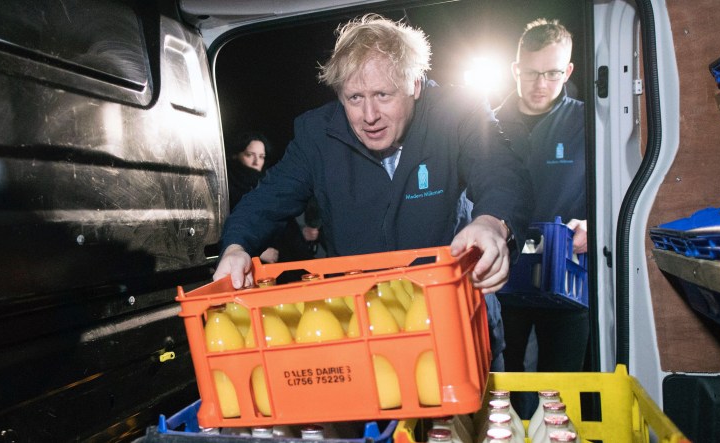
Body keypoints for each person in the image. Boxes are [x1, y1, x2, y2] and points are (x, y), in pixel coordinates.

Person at [214, 14, 533, 308]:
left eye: (383, 95)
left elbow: (500, 168)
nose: (369, 117)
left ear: (415, 85)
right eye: (355, 98)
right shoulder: (316, 134)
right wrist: (235, 247)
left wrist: (492, 222)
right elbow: (268, 199)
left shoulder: (458, 112)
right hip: (361, 318)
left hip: (454, 309)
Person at [494, 18, 588, 394]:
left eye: (551, 73)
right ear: (515, 69)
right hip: (504, 275)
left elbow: (619, 187)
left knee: (562, 392)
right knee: (503, 386)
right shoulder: (487, 124)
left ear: (568, 71)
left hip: (567, 275)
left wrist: (593, 223)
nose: (540, 84)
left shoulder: (589, 121)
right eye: (531, 73)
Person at [226, 131, 315, 264]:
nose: (256, 162)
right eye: (250, 155)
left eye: (261, 156)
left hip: (286, 259)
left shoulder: (267, 184)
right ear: (235, 155)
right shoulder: (229, 189)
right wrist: (255, 253)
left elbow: (283, 224)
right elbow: (229, 228)